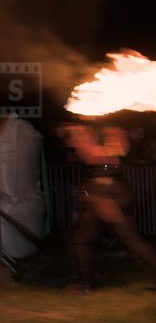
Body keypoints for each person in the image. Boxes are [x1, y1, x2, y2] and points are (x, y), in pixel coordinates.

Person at [61, 118, 156, 292]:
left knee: (83, 240)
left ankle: (86, 283)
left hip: (105, 191)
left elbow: (107, 157)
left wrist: (81, 137)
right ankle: (86, 281)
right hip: (110, 190)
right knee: (132, 241)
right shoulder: (102, 129)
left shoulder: (101, 131)